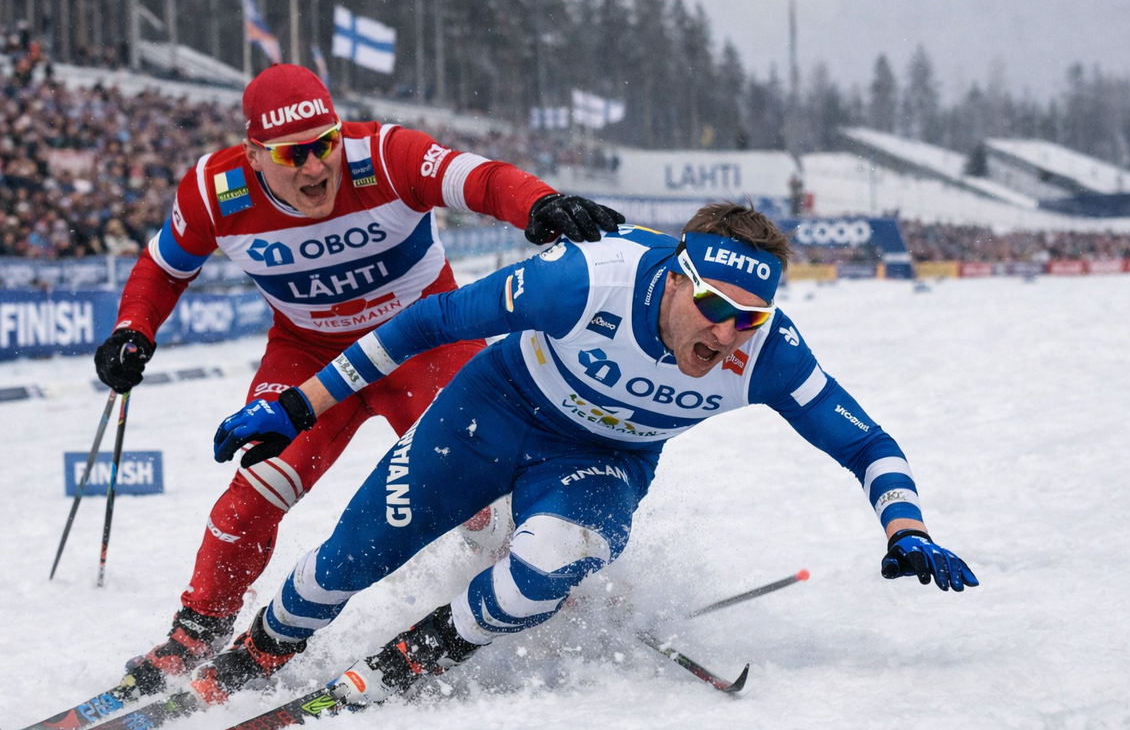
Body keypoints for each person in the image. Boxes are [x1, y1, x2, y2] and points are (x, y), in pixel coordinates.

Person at [192, 201, 978, 707]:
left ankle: (409, 662)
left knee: (550, 561)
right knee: (349, 561)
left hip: (601, 460)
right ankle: (261, 651)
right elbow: (426, 325)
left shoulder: (766, 351)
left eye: (749, 318)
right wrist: (296, 408)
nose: (723, 335)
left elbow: (868, 443)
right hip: (490, 410)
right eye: (711, 308)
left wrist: (905, 529)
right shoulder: (585, 279)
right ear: (674, 278)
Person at [90, 63, 623, 697]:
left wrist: (538, 202)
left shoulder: (385, 153)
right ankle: (196, 634)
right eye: (295, 154)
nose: (317, 168)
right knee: (250, 495)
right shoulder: (215, 189)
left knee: (481, 498)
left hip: (421, 344)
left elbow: (477, 179)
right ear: (255, 154)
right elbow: (162, 269)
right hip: (308, 355)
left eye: (325, 144)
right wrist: (133, 329)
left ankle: (551, 589)